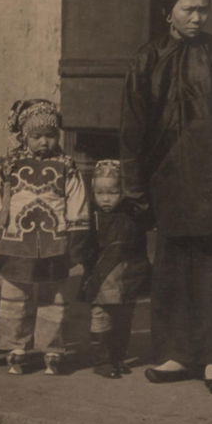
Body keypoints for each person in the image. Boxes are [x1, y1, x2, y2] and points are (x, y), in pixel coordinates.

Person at [118, 0, 212, 395]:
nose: (198, 18)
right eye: (188, 9)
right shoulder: (146, 60)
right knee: (172, 269)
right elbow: (133, 129)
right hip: (168, 181)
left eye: (204, 9)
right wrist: (135, 189)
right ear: (168, 12)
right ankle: (175, 353)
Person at [0, 99, 91, 376]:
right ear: (23, 136)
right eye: (37, 136)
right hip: (15, 245)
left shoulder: (66, 165)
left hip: (55, 245)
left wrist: (78, 243)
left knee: (52, 298)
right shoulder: (7, 166)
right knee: (14, 296)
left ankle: (52, 348)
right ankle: (15, 347)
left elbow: (78, 204)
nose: (44, 142)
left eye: (51, 136)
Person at [79, 159, 152, 378]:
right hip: (101, 274)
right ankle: (102, 360)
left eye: (113, 192)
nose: (106, 198)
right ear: (93, 191)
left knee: (124, 316)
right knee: (101, 315)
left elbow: (140, 244)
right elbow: (84, 246)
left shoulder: (131, 214)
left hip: (127, 274)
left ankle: (117, 357)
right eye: (100, 193)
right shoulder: (90, 216)